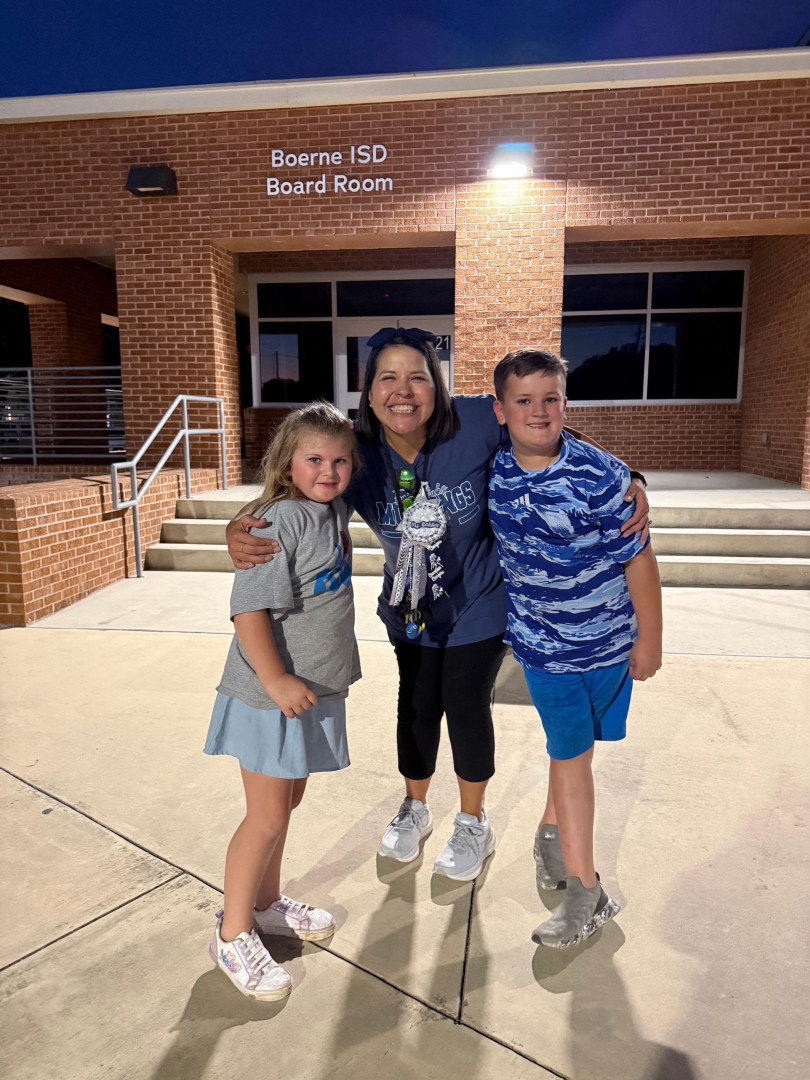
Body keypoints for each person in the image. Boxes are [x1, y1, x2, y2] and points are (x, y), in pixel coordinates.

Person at [227, 328, 650, 884]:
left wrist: (627, 475)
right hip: (409, 610)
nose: (403, 390)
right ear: (369, 391)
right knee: (417, 708)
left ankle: (473, 820)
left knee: (466, 707)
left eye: (418, 376)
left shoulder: (472, 421)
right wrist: (241, 523)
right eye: (388, 377)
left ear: (438, 386)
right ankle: (415, 806)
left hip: (479, 604)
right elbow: (299, 484)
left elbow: (542, 424)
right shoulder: (356, 449)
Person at [488, 347, 662, 948]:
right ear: (500, 410)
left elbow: (638, 559)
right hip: (544, 652)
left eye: (551, 398)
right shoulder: (492, 466)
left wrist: (650, 640)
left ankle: (549, 836)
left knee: (574, 753)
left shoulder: (603, 476)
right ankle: (588, 891)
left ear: (566, 403)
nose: (538, 411)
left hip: (609, 646)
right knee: (572, 754)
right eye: (523, 400)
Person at [206, 401, 361, 999]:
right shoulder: (277, 522)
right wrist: (275, 681)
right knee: (266, 815)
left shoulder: (331, 509)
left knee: (287, 802)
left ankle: (266, 903)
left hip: (308, 693)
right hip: (270, 695)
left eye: (341, 460)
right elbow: (248, 609)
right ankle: (232, 932)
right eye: (314, 459)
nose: (329, 471)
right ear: (286, 462)